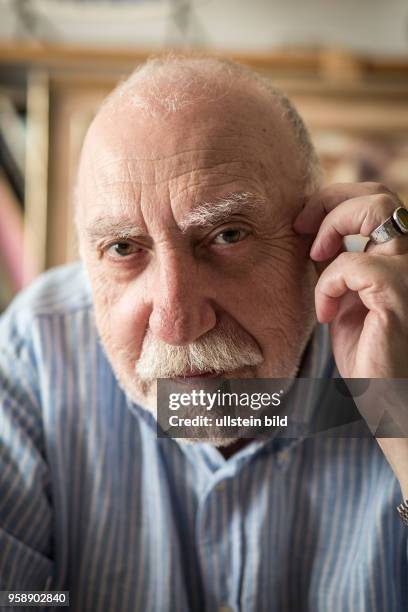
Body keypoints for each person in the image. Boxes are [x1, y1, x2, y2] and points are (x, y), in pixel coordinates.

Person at [0, 55, 407, 612]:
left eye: (227, 234)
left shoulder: (393, 345)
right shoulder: (34, 356)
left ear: (321, 239)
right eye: (123, 248)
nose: (177, 322)